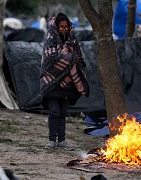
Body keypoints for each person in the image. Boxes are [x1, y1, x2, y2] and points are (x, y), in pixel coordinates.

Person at [40, 13, 89, 150]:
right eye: (61, 26)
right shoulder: (50, 41)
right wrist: (70, 58)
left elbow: (79, 58)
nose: (64, 29)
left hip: (68, 81)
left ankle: (62, 141)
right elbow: (51, 60)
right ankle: (51, 140)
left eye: (66, 26)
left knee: (63, 112)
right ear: (56, 27)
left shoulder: (73, 40)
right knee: (54, 111)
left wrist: (73, 60)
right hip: (51, 81)